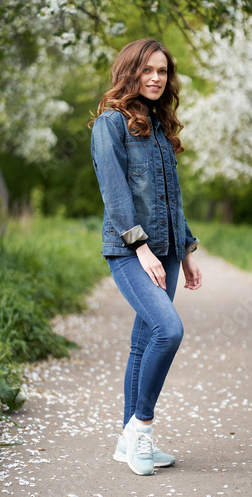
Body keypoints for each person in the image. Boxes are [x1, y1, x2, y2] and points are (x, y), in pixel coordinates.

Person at [90, 38, 202, 476]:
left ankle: (126, 441)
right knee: (168, 330)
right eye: (148, 70)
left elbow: (171, 199)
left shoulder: (157, 125)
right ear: (130, 71)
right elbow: (116, 195)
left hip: (167, 251)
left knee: (142, 344)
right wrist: (141, 249)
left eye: (163, 71)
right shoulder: (110, 124)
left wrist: (186, 249)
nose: (156, 78)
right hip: (129, 250)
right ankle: (142, 428)